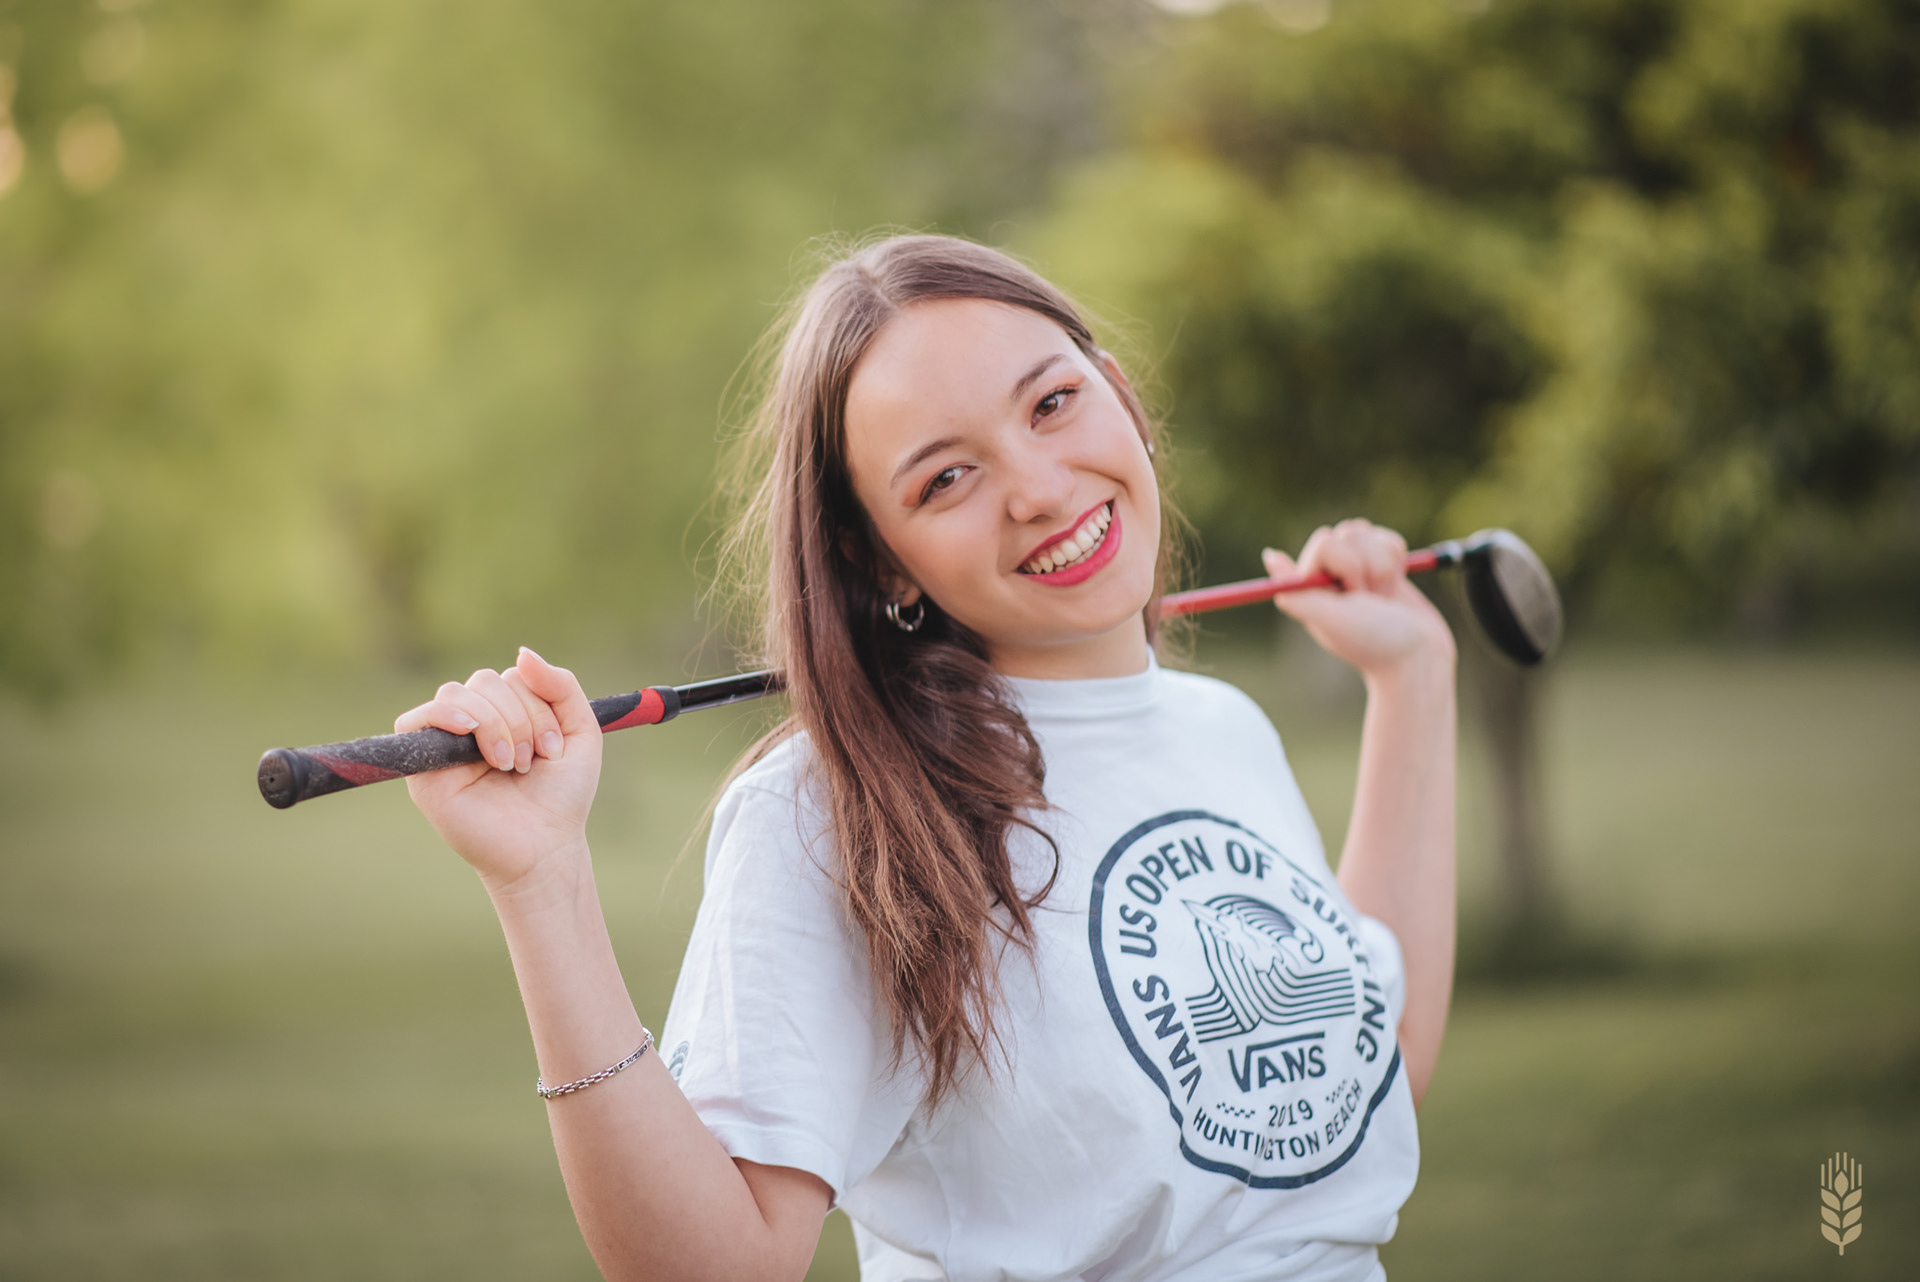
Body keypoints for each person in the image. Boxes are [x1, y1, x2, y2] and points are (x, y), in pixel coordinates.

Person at [394, 235, 1457, 1282]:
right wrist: (542, 884)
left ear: (1122, 396)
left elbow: (1361, 1089)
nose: (1038, 489)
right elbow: (718, 1267)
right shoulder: (834, 811)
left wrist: (1414, 679)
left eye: (1052, 403)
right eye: (947, 478)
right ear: (880, 561)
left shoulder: (1225, 728)